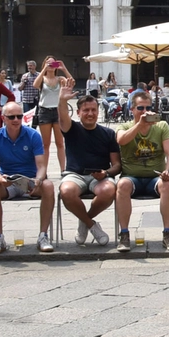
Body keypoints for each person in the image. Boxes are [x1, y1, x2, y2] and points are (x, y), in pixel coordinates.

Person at [0, 101, 56, 254]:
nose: (16, 120)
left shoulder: (33, 135)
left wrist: (38, 179)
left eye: (19, 116)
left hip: (29, 180)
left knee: (48, 186)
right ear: (3, 118)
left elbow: (42, 166)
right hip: (8, 182)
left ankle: (43, 235)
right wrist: (0, 179)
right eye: (11, 117)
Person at [113, 90, 169, 253]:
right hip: (131, 176)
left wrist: (168, 171)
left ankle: (167, 233)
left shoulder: (161, 126)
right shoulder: (124, 126)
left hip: (154, 177)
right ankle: (124, 234)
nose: (144, 112)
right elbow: (121, 140)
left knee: (167, 185)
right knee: (122, 185)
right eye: (140, 108)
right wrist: (139, 125)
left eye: (148, 108)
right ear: (132, 109)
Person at [58, 91, 120, 247]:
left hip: (99, 175)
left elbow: (117, 165)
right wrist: (62, 100)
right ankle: (91, 225)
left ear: (98, 112)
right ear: (78, 113)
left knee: (109, 190)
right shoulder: (71, 129)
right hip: (74, 175)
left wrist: (105, 173)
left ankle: (84, 221)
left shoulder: (108, 133)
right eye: (86, 110)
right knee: (66, 191)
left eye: (93, 110)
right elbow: (63, 117)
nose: (90, 113)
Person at [36, 57, 75, 173]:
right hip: (44, 111)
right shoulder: (42, 78)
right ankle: (44, 171)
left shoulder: (60, 79)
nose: (51, 66)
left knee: (60, 143)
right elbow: (35, 85)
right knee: (46, 144)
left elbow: (71, 81)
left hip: (57, 110)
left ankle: (63, 169)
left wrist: (64, 68)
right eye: (49, 63)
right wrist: (44, 70)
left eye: (53, 63)